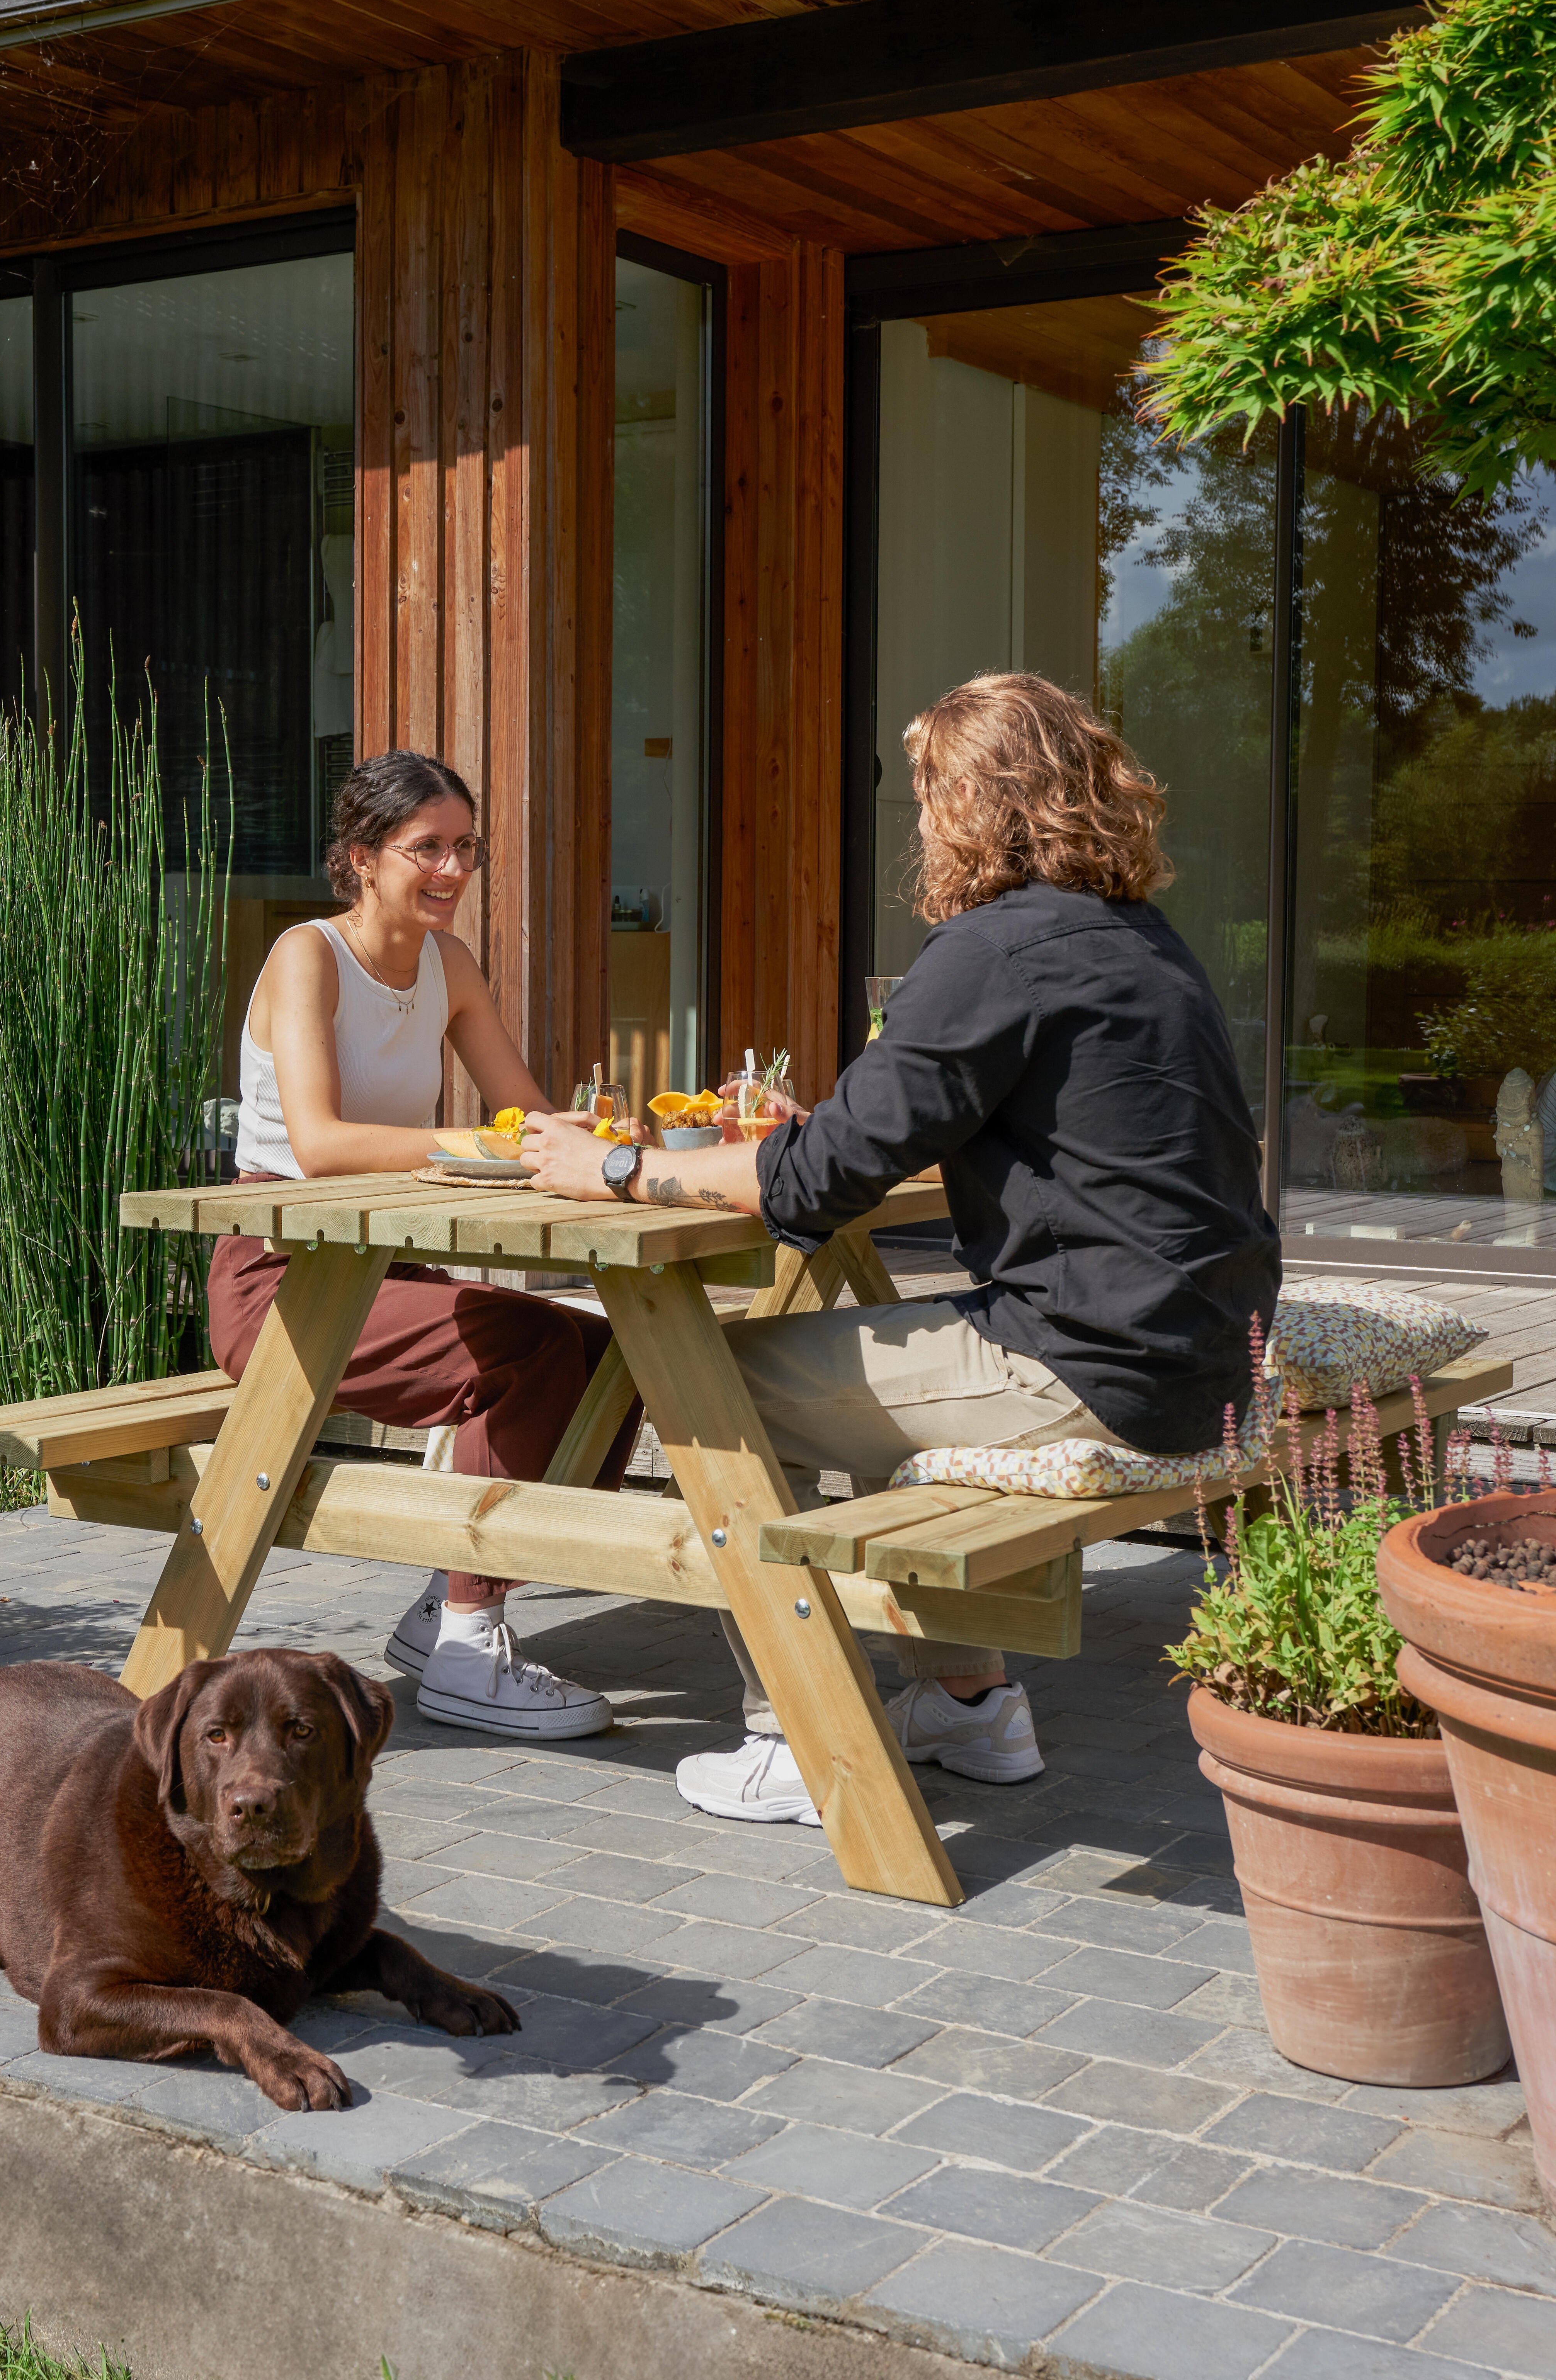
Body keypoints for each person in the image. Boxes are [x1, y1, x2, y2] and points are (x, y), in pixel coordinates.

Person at [522, 673, 1280, 1822]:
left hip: (1092, 1368)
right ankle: (968, 1704)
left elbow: (818, 1182)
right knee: (872, 1361)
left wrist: (617, 1170)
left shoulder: (993, 950)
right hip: (1203, 1361)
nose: (920, 823)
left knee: (717, 1382)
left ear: (980, 802)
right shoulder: (1141, 941)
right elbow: (870, 1141)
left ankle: (796, 1737)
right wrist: (816, 1139)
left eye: (930, 794)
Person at [211, 749, 635, 1741]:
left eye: (465, 848)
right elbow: (317, 1145)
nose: (451, 870)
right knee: (526, 1353)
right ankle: (468, 1645)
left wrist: (608, 1140)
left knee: (612, 1354)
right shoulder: (306, 955)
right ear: (362, 856)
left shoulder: (447, 966)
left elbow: (522, 1113)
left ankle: (458, 1606)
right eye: (426, 850)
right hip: (281, 1280)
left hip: (385, 1266)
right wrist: (483, 1143)